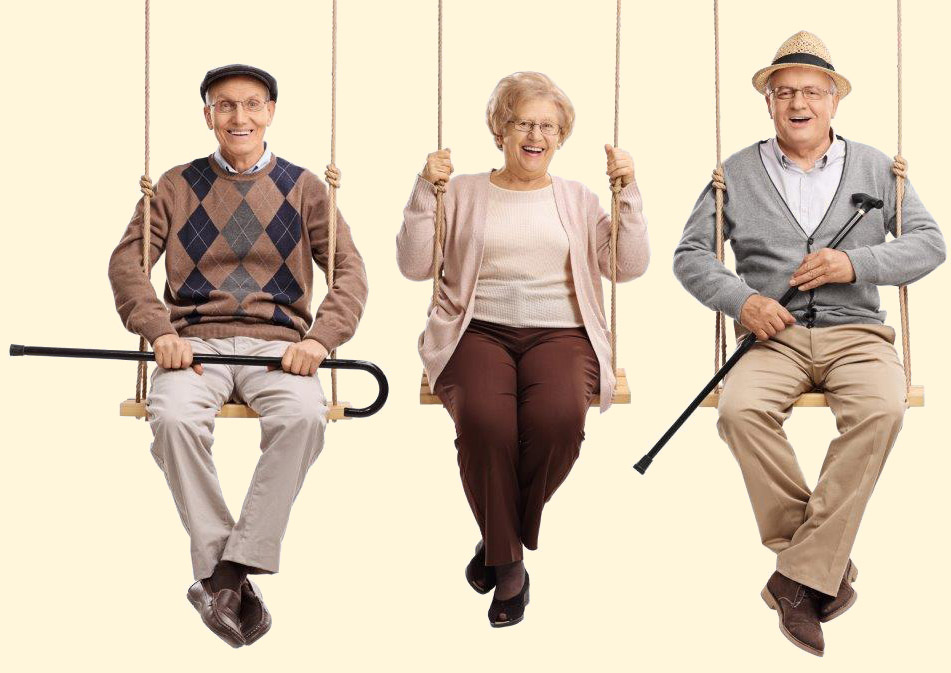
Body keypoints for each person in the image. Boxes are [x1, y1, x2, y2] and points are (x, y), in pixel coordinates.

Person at [673, 32, 945, 656]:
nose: (799, 102)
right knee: (739, 412)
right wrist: (743, 301)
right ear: (768, 102)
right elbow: (691, 255)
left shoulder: (877, 166)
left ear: (833, 102)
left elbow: (930, 243)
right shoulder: (735, 173)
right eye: (785, 91)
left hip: (857, 334)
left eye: (812, 92)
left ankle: (796, 575)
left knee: (884, 409)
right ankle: (819, 566)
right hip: (775, 338)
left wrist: (856, 265)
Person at [108, 64, 368, 647]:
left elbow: (349, 272)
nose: (239, 118)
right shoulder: (174, 186)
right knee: (171, 417)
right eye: (225, 106)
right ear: (207, 116)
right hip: (192, 344)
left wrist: (318, 342)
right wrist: (159, 332)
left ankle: (225, 574)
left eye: (252, 105)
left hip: (279, 349)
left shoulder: (305, 188)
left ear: (271, 111)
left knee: (303, 417)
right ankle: (227, 574)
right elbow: (127, 264)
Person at [397, 71, 649, 627]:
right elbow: (415, 265)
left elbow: (625, 267)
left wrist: (626, 192)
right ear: (500, 130)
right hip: (475, 330)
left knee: (559, 420)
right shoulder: (459, 190)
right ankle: (509, 565)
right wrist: (423, 189)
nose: (535, 135)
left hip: (562, 332)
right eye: (523, 123)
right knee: (487, 422)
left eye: (548, 127)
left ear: (561, 137)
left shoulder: (580, 199)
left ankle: (497, 537)